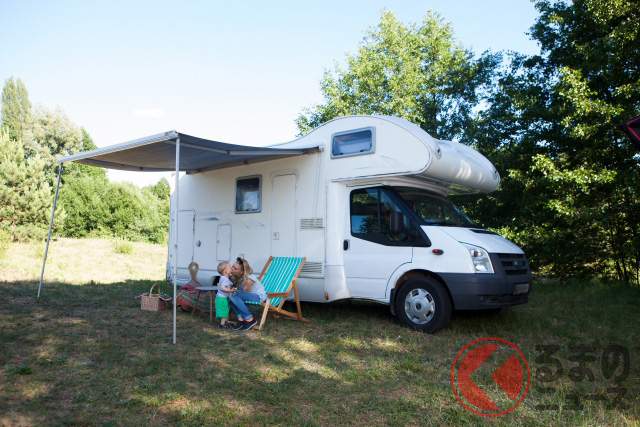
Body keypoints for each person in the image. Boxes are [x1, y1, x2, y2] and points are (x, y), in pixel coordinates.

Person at [228, 257, 267, 330]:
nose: (232, 269)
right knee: (231, 298)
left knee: (234, 294)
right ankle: (240, 319)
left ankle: (249, 319)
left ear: (241, 272)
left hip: (258, 296)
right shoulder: (236, 276)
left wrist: (234, 290)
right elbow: (237, 289)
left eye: (235, 268)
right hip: (249, 295)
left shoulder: (249, 279)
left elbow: (247, 292)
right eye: (232, 266)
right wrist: (232, 288)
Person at [215, 261, 235, 329]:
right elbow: (222, 288)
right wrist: (231, 291)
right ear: (226, 271)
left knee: (225, 310)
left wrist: (231, 288)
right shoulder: (225, 279)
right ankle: (222, 324)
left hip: (220, 298)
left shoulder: (223, 277)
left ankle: (225, 322)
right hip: (222, 298)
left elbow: (227, 286)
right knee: (224, 311)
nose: (231, 268)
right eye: (230, 267)